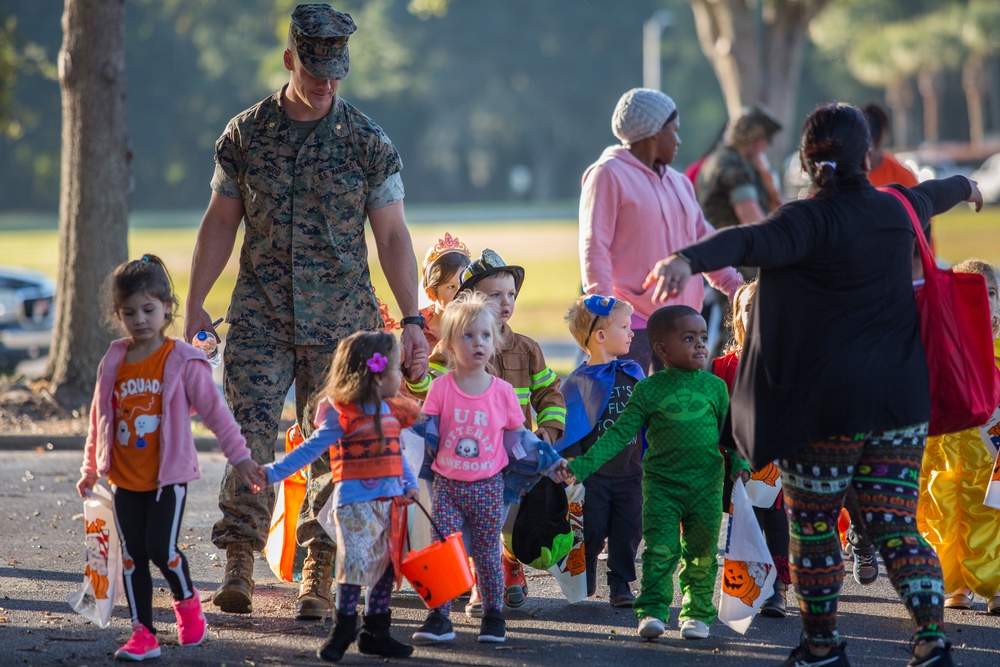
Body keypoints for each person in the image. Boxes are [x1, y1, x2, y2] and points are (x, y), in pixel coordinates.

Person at [648, 102, 984, 667]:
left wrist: (685, 260)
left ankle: (823, 647)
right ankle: (932, 640)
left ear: (806, 162)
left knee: (815, 528)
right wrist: (969, 185)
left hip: (823, 411)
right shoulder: (899, 206)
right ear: (869, 157)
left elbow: (741, 243)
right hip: (899, 405)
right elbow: (941, 190)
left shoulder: (802, 221)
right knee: (896, 524)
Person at [184, 3, 429, 619]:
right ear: (290, 58)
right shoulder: (245, 134)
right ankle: (239, 559)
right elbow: (220, 222)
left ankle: (319, 572)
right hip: (260, 318)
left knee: (335, 449)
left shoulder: (368, 141)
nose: (326, 85)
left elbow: (394, 237)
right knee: (248, 438)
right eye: (316, 71)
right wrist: (194, 304)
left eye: (336, 74)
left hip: (343, 330)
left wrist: (413, 319)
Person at [76, 255, 261, 662]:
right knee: (132, 555)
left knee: (161, 548)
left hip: (168, 478)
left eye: (148, 310)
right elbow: (99, 415)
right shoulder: (114, 359)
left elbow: (217, 415)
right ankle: (143, 632)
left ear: (166, 309)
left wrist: (242, 459)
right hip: (125, 477)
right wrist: (91, 468)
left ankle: (187, 600)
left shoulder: (181, 360)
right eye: (129, 312)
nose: (140, 319)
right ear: (117, 314)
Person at [410, 292, 571, 645]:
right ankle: (439, 618)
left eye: (484, 335)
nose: (477, 343)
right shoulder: (440, 389)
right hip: (448, 487)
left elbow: (519, 440)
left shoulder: (501, 392)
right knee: (443, 552)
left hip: (488, 489)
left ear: (495, 341)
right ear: (450, 346)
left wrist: (551, 460)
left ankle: (494, 616)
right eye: (467, 336)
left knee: (485, 554)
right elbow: (423, 432)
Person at [567, 305, 735, 641]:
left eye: (703, 337)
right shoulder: (647, 389)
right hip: (661, 486)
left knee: (702, 554)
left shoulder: (715, 388)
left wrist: (743, 466)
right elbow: (617, 433)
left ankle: (697, 613)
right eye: (689, 338)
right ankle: (653, 611)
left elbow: (732, 436)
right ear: (661, 349)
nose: (701, 344)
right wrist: (581, 465)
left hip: (706, 485)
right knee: (659, 550)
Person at [257, 331, 420, 662]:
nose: (400, 377)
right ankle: (343, 628)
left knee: (384, 570)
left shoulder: (391, 411)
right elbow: (310, 449)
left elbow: (396, 452)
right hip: (354, 506)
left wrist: (409, 482)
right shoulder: (341, 413)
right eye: (395, 370)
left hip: (389, 506)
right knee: (353, 568)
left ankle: (377, 631)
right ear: (376, 375)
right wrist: (272, 472)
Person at [579, 87, 743, 376]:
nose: (679, 140)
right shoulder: (607, 174)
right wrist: (605, 317)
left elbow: (704, 242)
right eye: (674, 130)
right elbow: (594, 247)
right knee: (633, 417)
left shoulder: (679, 182)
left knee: (682, 417)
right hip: (635, 328)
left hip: (686, 325)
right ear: (654, 132)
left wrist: (736, 288)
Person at [917, 258, 1000, 616]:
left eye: (994, 293)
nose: (987, 300)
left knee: (990, 511)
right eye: (979, 293)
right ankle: (955, 582)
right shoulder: (945, 336)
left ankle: (995, 584)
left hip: (991, 445)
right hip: (945, 445)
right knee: (942, 511)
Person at [557, 295, 645, 608]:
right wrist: (571, 461)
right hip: (593, 475)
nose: (632, 332)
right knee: (591, 528)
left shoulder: (634, 373)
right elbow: (571, 423)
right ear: (601, 336)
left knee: (628, 530)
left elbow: (648, 420)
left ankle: (621, 584)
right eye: (625, 326)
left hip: (631, 472)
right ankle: (588, 567)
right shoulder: (579, 381)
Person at [711, 280, 791, 618]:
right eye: (748, 308)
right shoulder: (720, 368)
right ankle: (747, 584)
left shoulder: (790, 363)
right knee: (744, 520)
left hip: (776, 458)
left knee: (773, 518)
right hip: (731, 457)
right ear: (737, 317)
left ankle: (777, 588)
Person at [403, 232, 472, 396]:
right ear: (432, 294)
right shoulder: (417, 334)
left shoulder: (477, 327)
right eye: (451, 287)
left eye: (464, 284)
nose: (460, 293)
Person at [697, 104, 784, 232]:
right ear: (758, 141)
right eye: (767, 141)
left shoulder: (721, 158)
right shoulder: (732, 168)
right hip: (729, 248)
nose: (765, 148)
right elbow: (754, 222)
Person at [863, 102, 919, 190]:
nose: (862, 153)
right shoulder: (846, 176)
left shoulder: (901, 176)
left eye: (867, 147)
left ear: (878, 142)